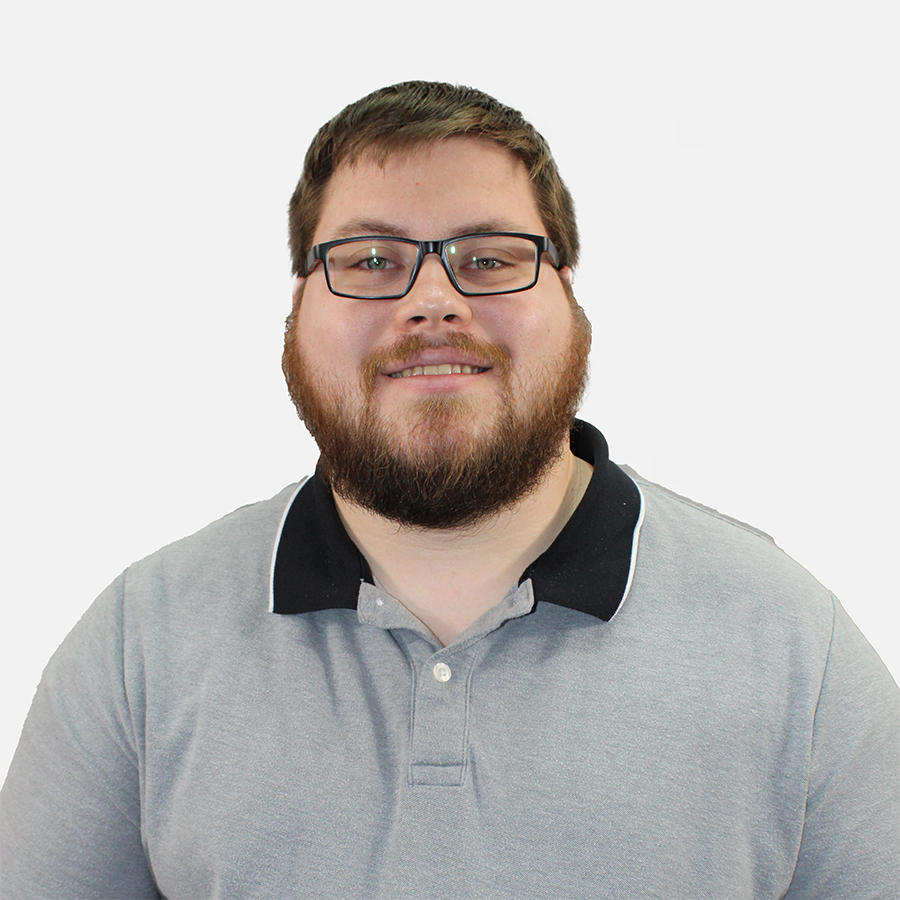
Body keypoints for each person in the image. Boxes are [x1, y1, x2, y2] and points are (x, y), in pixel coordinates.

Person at [1, 81, 898, 899]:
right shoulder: (140, 645)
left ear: (569, 295)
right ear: (298, 305)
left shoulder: (791, 644)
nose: (433, 301)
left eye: (490, 258)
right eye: (370, 260)